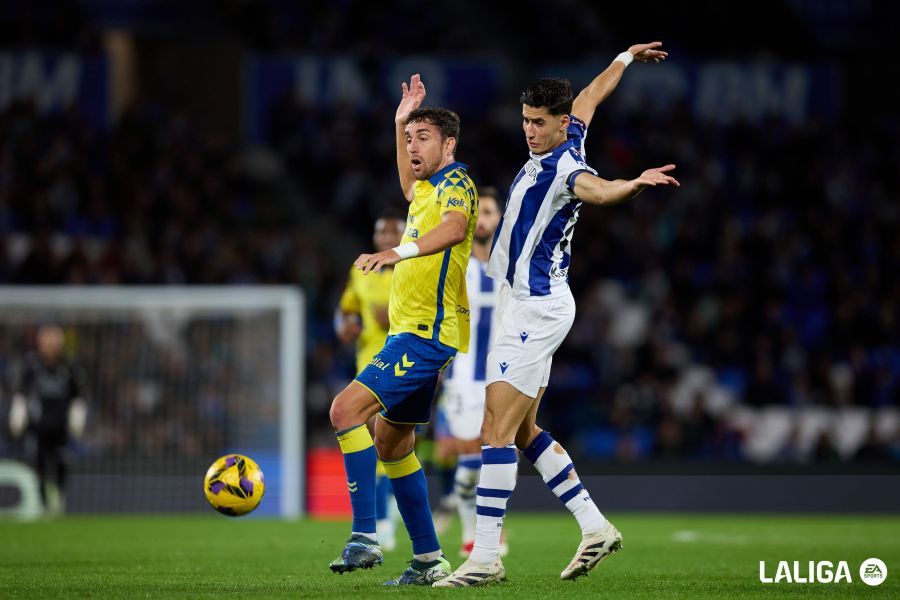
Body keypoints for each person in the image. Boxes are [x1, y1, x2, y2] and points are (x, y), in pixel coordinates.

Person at [438, 42, 678, 587]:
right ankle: (595, 527)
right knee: (521, 434)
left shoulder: (568, 166)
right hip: (527, 306)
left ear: (559, 124)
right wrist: (623, 57)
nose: (529, 131)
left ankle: (485, 558)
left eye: (538, 123)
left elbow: (598, 189)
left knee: (493, 430)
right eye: (525, 120)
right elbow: (592, 95)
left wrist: (634, 183)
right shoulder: (566, 134)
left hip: (536, 308)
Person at [328, 73, 478, 586]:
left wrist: (396, 251)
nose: (413, 147)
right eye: (409, 140)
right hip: (407, 334)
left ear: (449, 144)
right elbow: (409, 187)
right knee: (392, 445)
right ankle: (429, 560)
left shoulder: (458, 183)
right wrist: (399, 123)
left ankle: (365, 536)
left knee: (345, 410)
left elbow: (456, 229)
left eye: (423, 138)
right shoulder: (426, 191)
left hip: (425, 334)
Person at [437, 187, 507, 557]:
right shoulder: (456, 265)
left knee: (494, 454)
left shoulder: (509, 265)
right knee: (468, 459)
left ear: (499, 218)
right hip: (463, 374)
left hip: (500, 375)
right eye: (478, 213)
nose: (483, 220)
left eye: (490, 213)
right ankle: (470, 530)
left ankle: (487, 529)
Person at [335, 209, 406, 551]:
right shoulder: (359, 270)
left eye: (395, 233)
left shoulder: (413, 268)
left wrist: (392, 315)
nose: (388, 238)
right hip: (367, 367)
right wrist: (345, 326)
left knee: (394, 445)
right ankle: (380, 521)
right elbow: (346, 308)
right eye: (383, 233)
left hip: (406, 366)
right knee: (375, 439)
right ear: (376, 238)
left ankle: (386, 514)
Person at [8, 324, 87, 515]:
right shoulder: (32, 365)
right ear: (40, 342)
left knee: (60, 463)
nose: (51, 344)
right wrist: (18, 412)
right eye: (47, 339)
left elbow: (78, 395)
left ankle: (58, 497)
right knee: (39, 464)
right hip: (38, 425)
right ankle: (43, 502)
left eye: (55, 339)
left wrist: (77, 416)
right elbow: (21, 393)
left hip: (61, 425)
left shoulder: (69, 365)